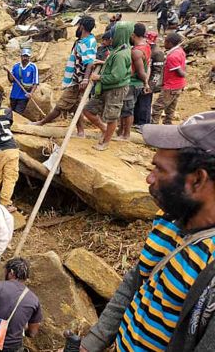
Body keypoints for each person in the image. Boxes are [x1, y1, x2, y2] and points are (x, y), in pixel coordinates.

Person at [79, 111, 215, 351]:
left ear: (197, 180)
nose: (149, 178)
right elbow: (137, 279)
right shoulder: (170, 217)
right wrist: (92, 343)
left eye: (160, 170)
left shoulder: (210, 269)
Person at [31, 15, 97, 137]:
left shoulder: (87, 43)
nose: (77, 28)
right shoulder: (84, 41)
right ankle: (81, 131)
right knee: (77, 107)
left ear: (81, 27)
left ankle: (42, 122)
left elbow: (90, 62)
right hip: (76, 79)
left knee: (61, 105)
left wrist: (85, 78)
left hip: (77, 81)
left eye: (78, 26)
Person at [81, 22, 133, 151]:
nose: (110, 39)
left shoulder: (121, 54)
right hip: (106, 87)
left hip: (115, 89)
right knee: (88, 109)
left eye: (113, 35)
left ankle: (105, 142)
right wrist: (103, 63)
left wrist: (99, 77)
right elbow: (114, 66)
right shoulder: (119, 49)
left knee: (111, 116)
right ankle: (104, 129)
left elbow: (117, 76)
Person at [117, 23, 151, 141]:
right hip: (136, 83)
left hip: (133, 83)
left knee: (127, 109)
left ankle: (126, 135)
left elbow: (141, 72)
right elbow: (148, 66)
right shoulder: (146, 46)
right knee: (125, 109)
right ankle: (121, 131)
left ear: (133, 35)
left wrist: (146, 83)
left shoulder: (136, 51)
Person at [152, 32, 186, 125]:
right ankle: (167, 125)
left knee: (157, 107)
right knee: (170, 109)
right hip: (178, 85)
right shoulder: (179, 51)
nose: (164, 43)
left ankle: (153, 127)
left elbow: (180, 73)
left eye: (165, 42)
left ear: (170, 43)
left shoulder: (172, 56)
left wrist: (183, 73)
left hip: (171, 86)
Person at [134, 31, 165, 130]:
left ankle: (144, 124)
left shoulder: (157, 53)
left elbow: (157, 72)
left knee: (145, 104)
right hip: (142, 80)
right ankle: (137, 121)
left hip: (149, 82)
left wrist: (150, 86)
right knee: (138, 103)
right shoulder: (145, 49)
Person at [7, 48, 39, 116]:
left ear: (29, 57)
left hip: (24, 96)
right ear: (21, 56)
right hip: (13, 95)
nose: (25, 58)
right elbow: (11, 80)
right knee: (12, 113)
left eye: (27, 56)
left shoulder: (33, 67)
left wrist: (31, 93)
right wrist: (8, 72)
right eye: (24, 56)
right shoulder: (16, 66)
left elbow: (36, 82)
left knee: (18, 114)